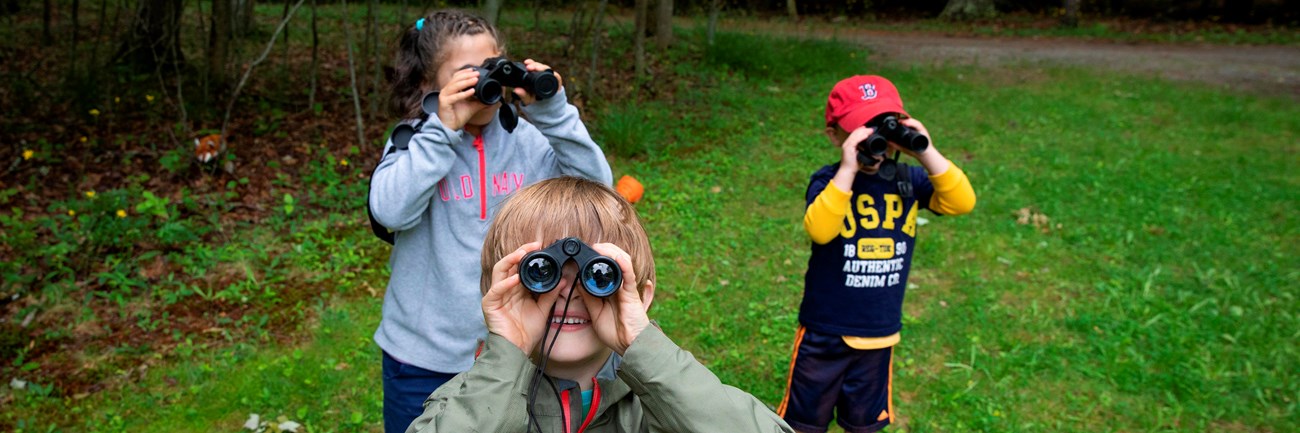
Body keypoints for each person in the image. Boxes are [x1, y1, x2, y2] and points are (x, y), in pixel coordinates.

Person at [369, 10, 613, 433]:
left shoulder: (526, 138)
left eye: (491, 68)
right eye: (467, 75)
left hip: (519, 346)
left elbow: (596, 192)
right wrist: (442, 130)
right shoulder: (415, 140)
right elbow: (390, 211)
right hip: (423, 356)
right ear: (431, 84)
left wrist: (553, 113)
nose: (484, 85)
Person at [407, 176, 795, 433]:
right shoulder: (467, 401)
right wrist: (505, 357)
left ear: (640, 297)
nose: (569, 290)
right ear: (495, 291)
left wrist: (645, 348)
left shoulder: (664, 406)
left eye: (599, 276)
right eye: (541, 270)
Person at [778, 75, 976, 433]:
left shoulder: (908, 180)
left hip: (879, 332)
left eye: (883, 127)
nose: (876, 141)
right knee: (803, 423)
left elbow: (962, 202)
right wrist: (849, 170)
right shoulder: (828, 182)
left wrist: (925, 150)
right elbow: (820, 229)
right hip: (825, 330)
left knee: (865, 425)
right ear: (835, 135)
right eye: (861, 129)